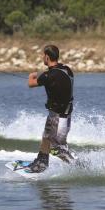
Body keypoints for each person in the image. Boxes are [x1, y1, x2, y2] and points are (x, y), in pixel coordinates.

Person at [26, 45, 75, 173]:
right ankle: (41, 161)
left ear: (47, 57)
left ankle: (76, 167)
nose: (43, 57)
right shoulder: (67, 70)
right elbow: (54, 75)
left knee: (55, 148)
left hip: (58, 118)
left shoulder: (49, 76)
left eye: (43, 55)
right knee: (46, 137)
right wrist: (43, 74)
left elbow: (31, 83)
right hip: (63, 115)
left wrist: (32, 74)